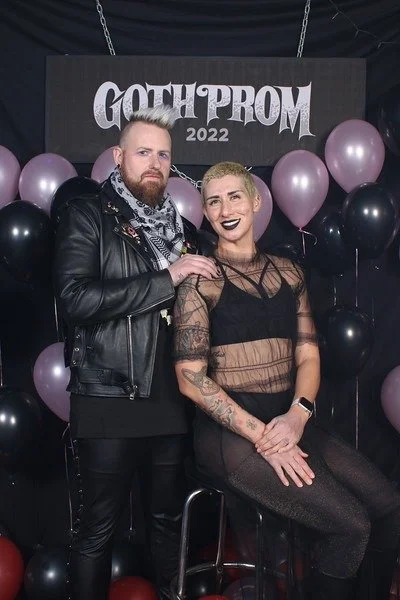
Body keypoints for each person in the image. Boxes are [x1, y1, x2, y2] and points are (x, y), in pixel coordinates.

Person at [173, 161, 400, 600]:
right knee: (351, 525)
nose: (225, 210)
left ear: (256, 201)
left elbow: (308, 354)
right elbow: (189, 378)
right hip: (230, 437)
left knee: (390, 509)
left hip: (289, 422)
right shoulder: (199, 282)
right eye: (214, 202)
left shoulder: (289, 272)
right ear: (205, 212)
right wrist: (264, 438)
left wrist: (297, 416)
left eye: (234, 197)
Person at [53, 105, 219, 600]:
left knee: (168, 524)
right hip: (108, 398)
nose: (154, 164)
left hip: (170, 401)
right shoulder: (86, 215)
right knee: (97, 530)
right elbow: (76, 300)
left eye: (163, 155)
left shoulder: (185, 232)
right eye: (143, 152)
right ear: (118, 156)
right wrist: (167, 278)